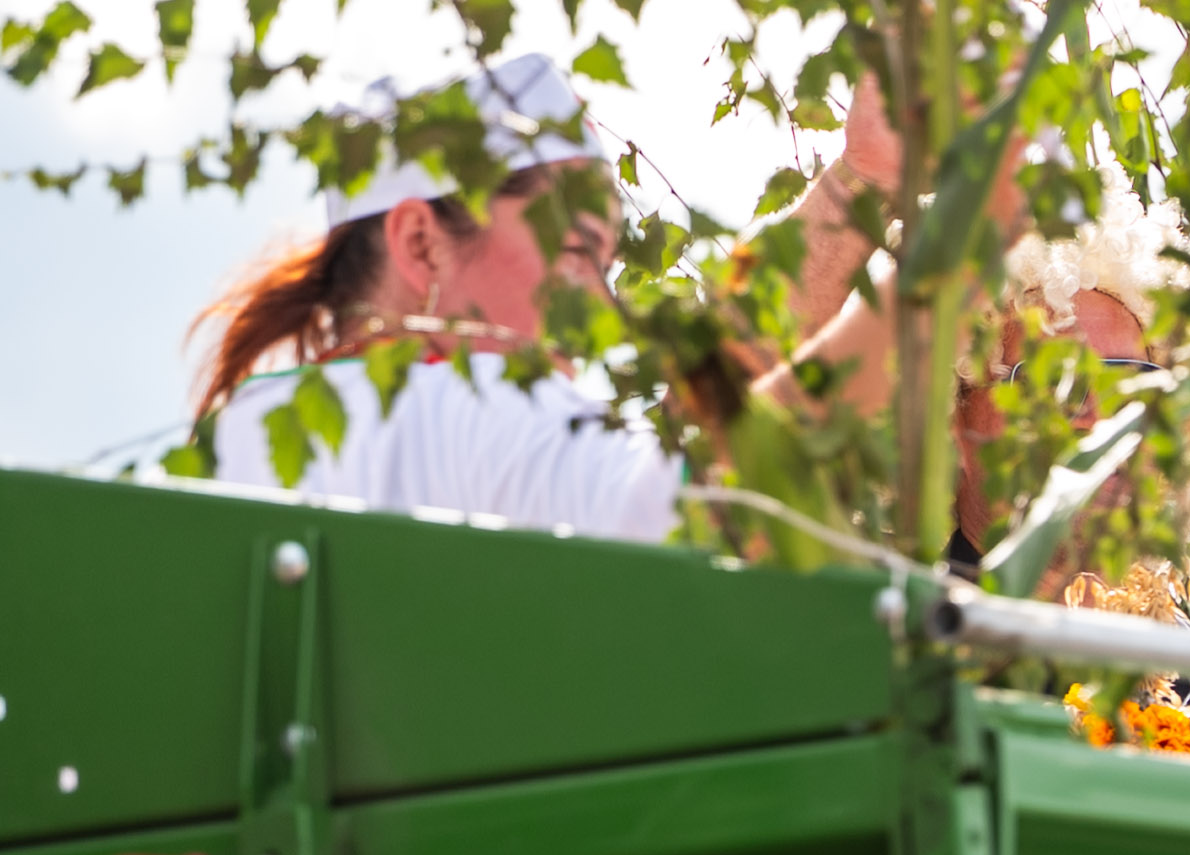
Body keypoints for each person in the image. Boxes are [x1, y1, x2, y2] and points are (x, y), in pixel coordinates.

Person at [186, 53, 888, 541]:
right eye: (577, 253)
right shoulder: (479, 407)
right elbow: (717, 489)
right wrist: (927, 274)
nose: (604, 314)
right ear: (421, 243)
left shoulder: (229, 441)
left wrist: (861, 174)